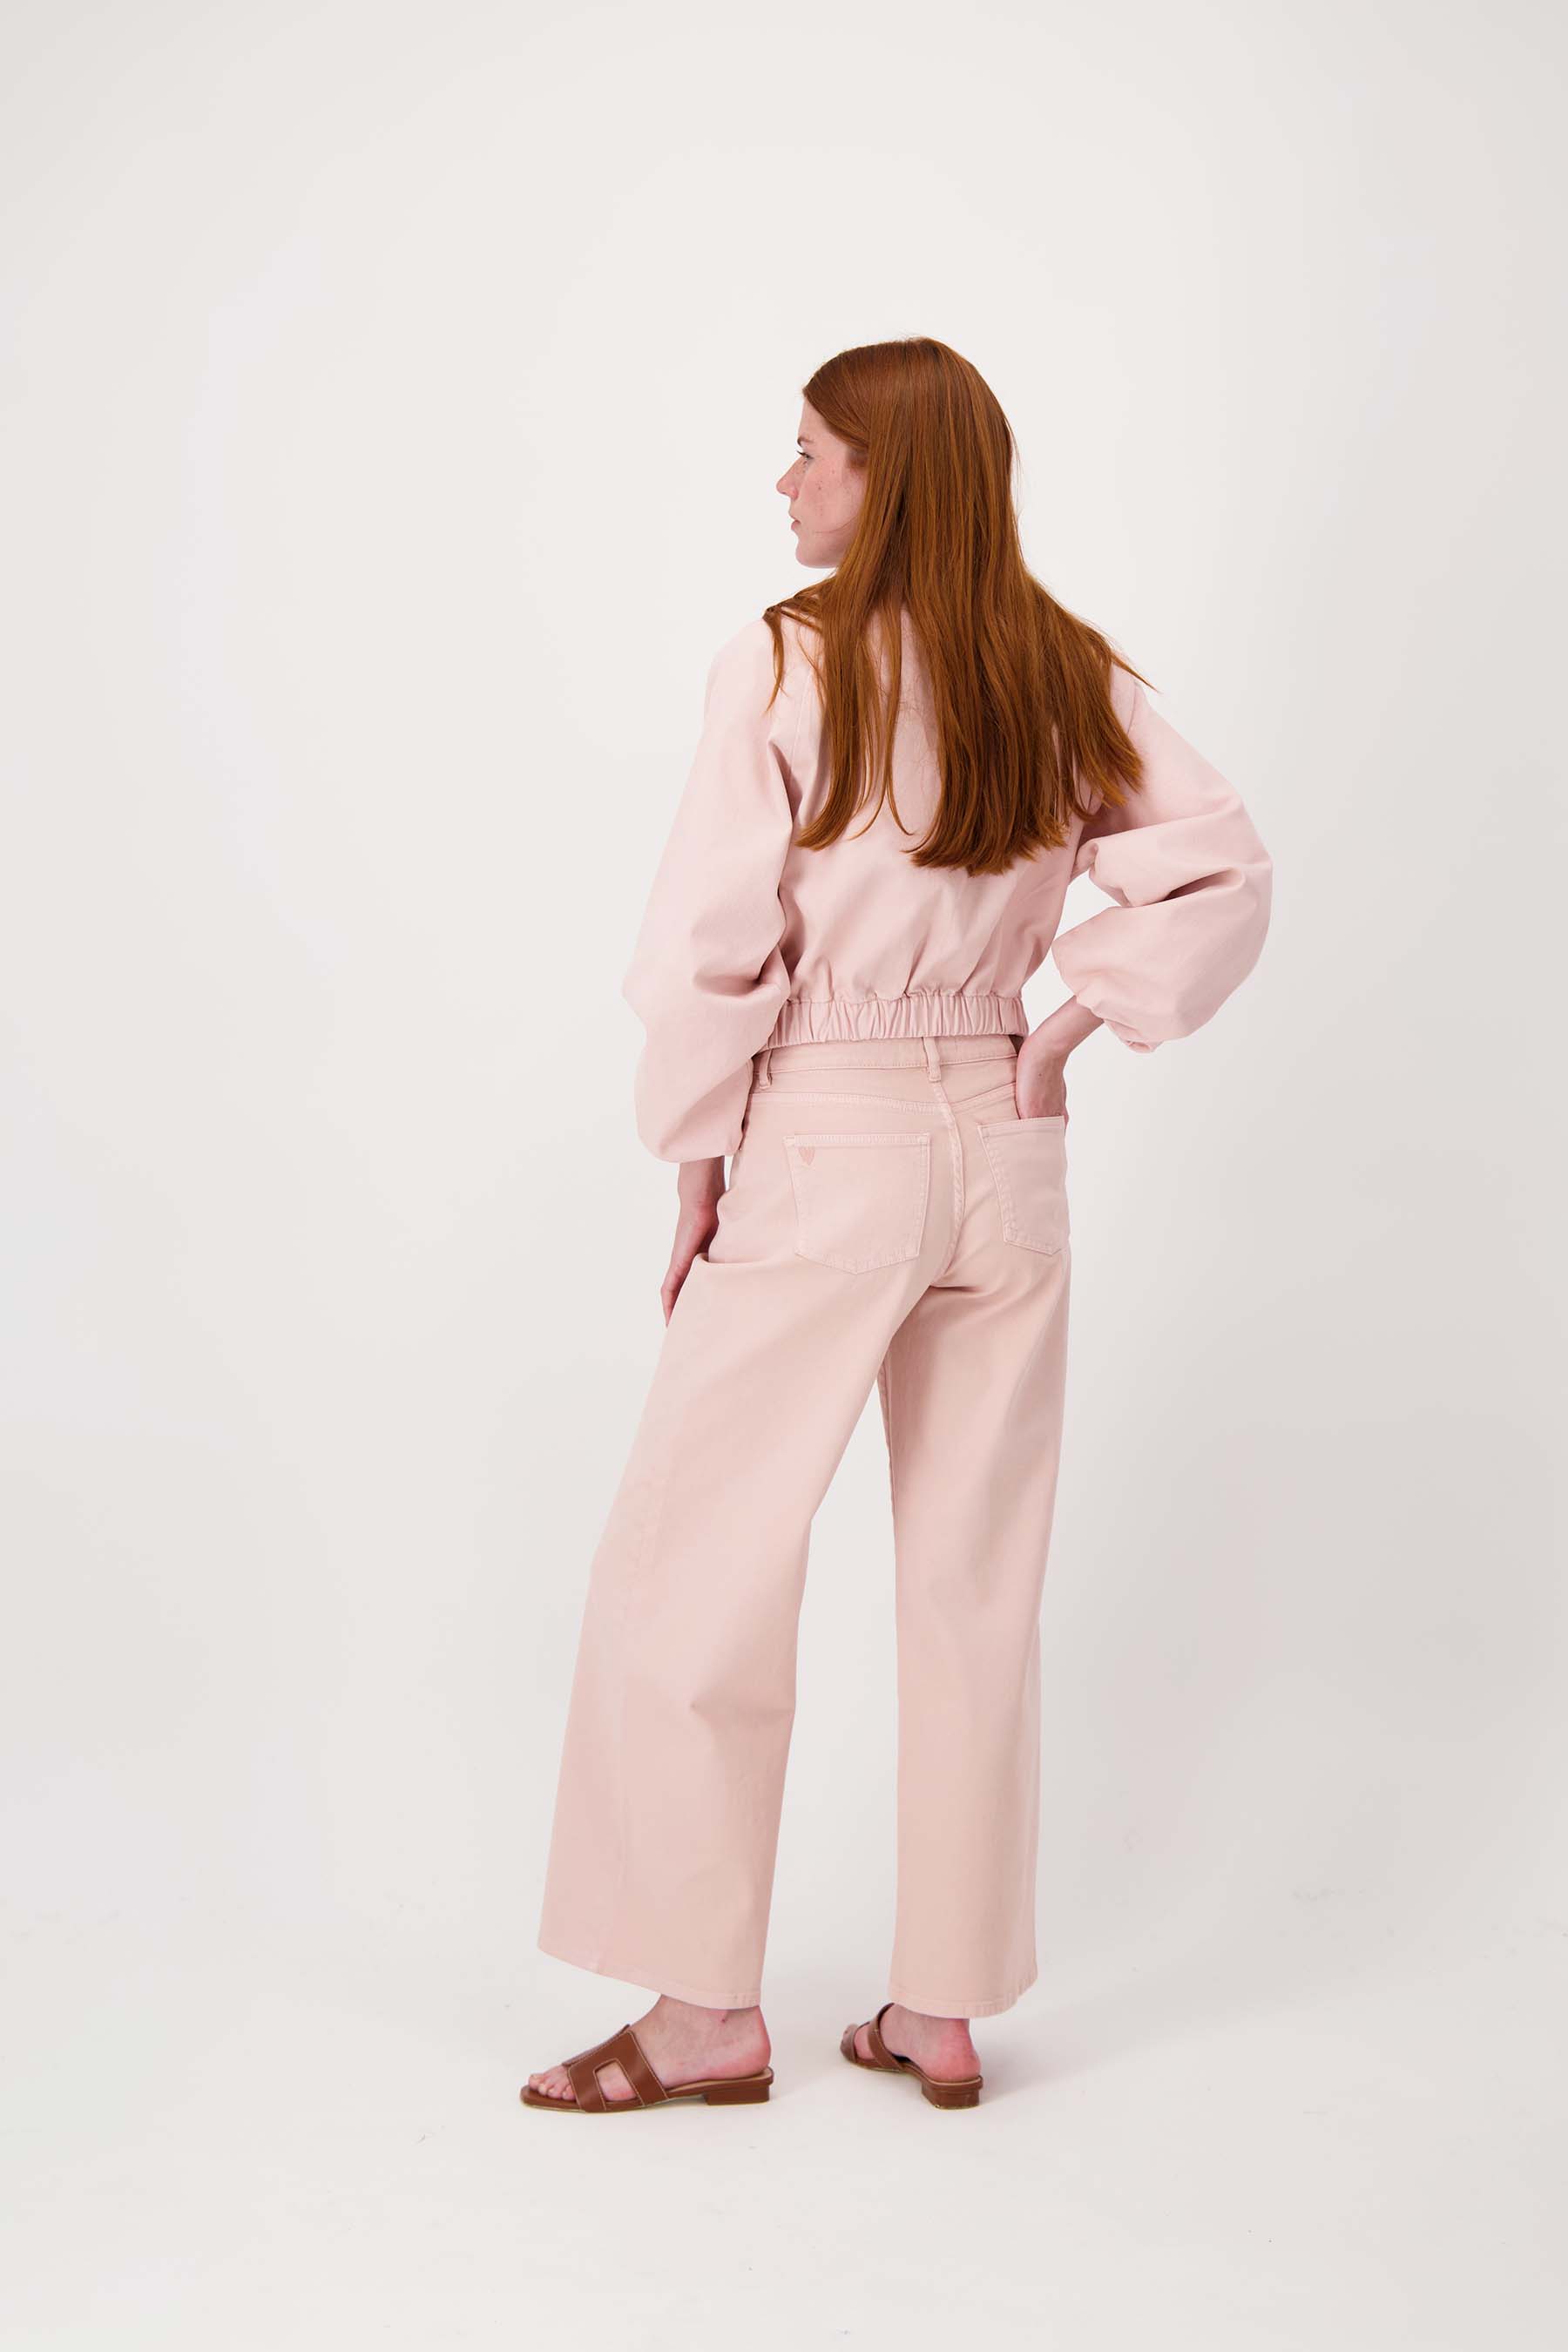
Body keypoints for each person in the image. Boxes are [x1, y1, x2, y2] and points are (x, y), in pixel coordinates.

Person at [522, 337, 1273, 2115]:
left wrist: (698, 1156)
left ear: (887, 476)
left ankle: (702, 2017)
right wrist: (1064, 1024)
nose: (784, 485)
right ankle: (939, 2009)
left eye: (810, 454)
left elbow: (709, 949)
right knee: (973, 1582)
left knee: (695, 1567)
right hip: (1004, 1146)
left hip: (827, 1139)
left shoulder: (787, 661)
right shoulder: (1058, 663)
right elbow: (1224, 866)